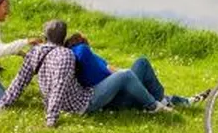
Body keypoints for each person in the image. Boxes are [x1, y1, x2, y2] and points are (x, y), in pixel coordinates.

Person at [66, 31, 208, 110]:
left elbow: (112, 69)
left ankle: (169, 100)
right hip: (114, 98)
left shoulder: (93, 57)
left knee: (141, 62)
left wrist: (132, 78)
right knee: (138, 70)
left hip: (121, 87)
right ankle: (165, 101)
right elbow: (83, 54)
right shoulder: (81, 54)